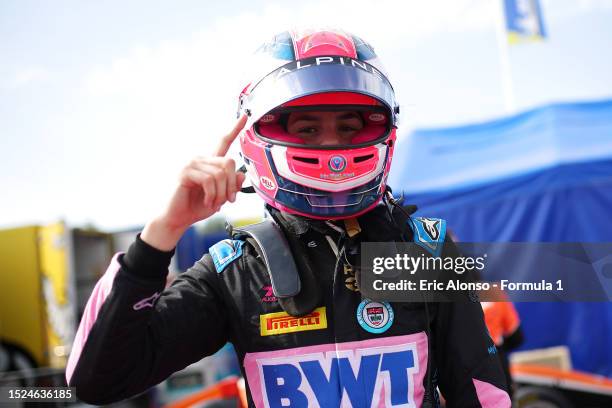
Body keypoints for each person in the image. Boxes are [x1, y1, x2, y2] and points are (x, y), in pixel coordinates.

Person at [66, 28, 511, 407]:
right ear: (260, 133)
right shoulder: (235, 270)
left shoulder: (423, 248)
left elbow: (482, 394)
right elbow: (98, 379)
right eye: (308, 129)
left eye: (349, 127)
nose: (333, 147)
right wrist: (164, 231)